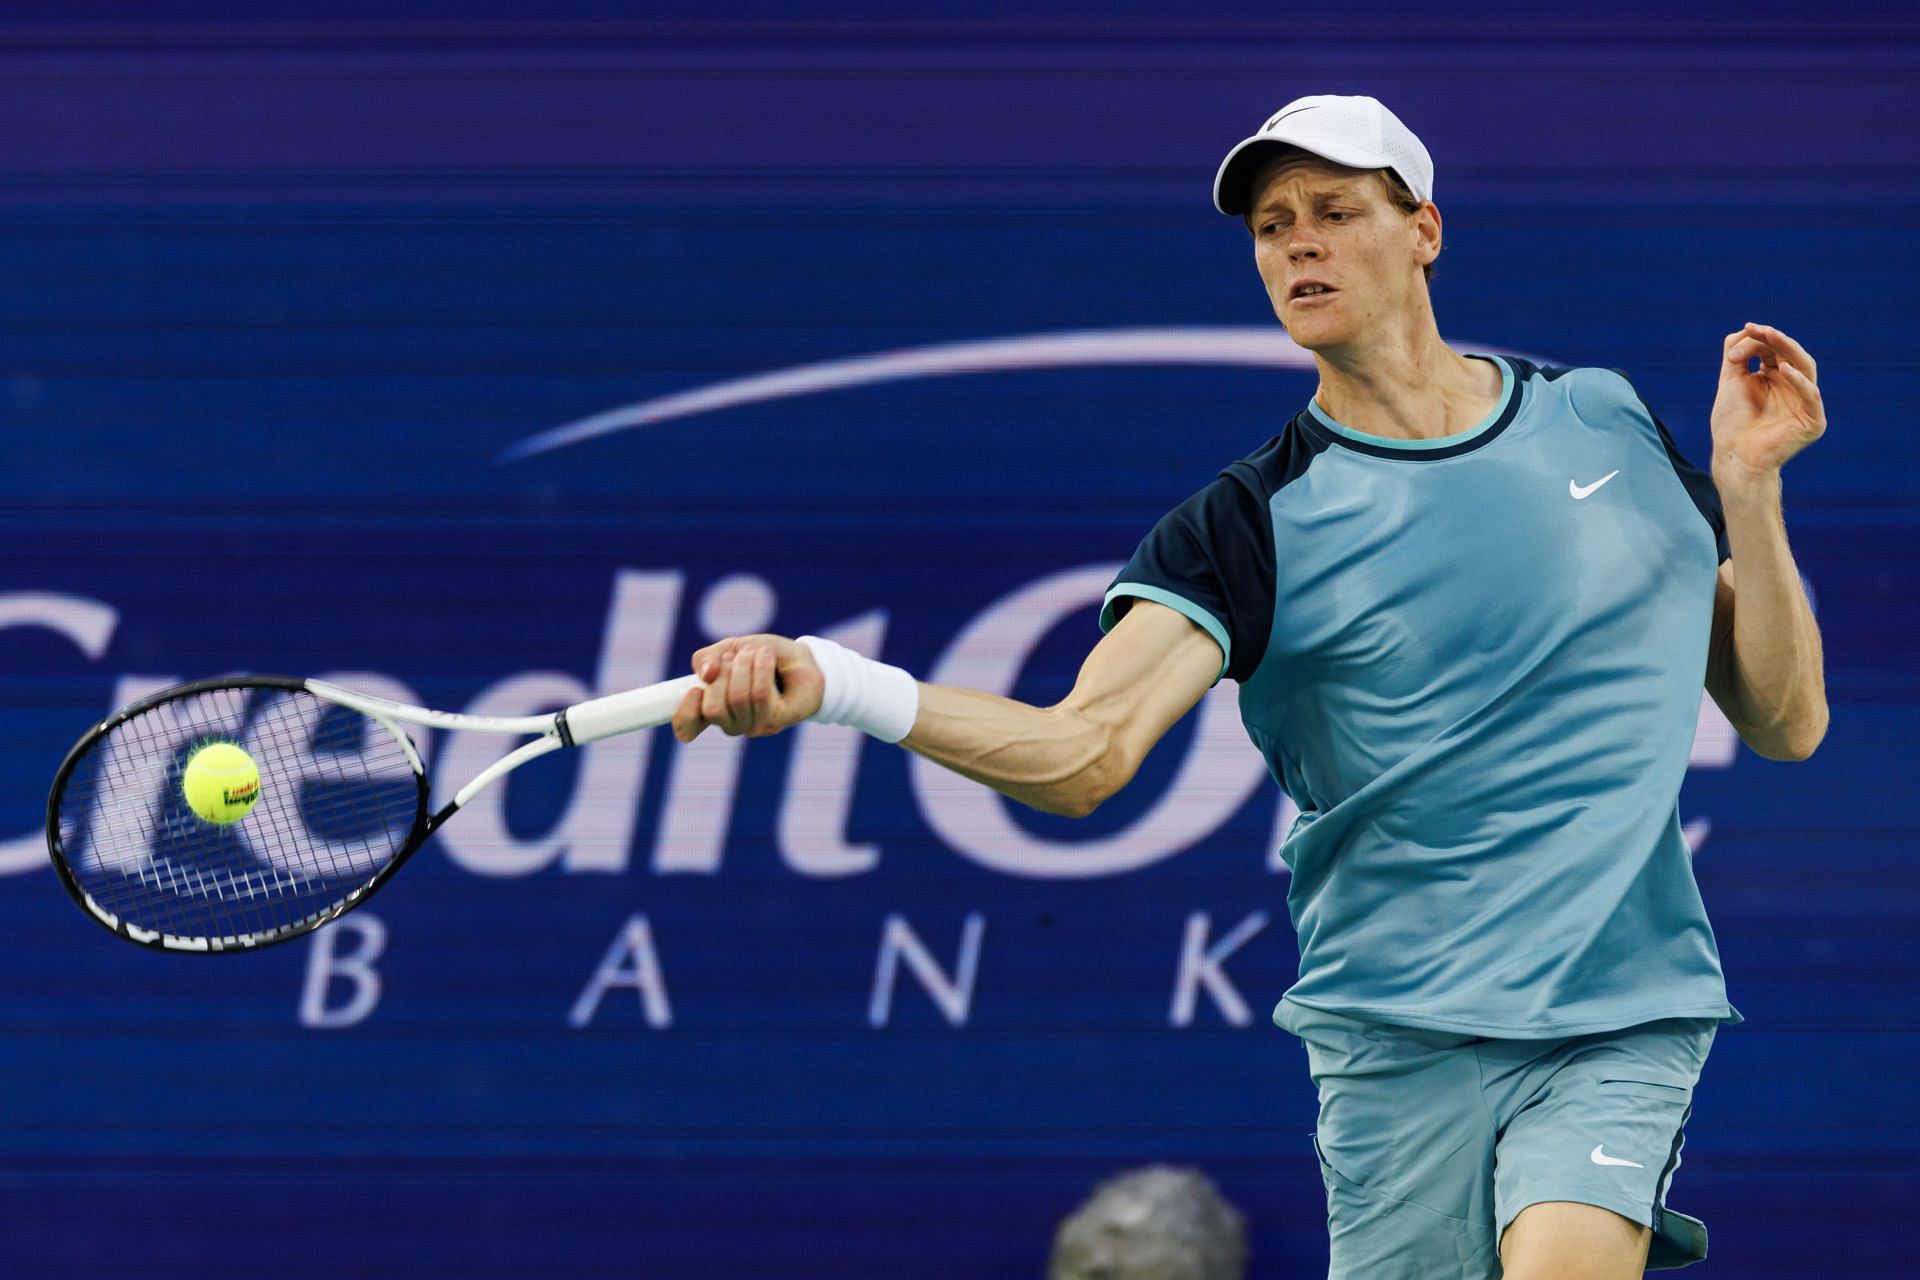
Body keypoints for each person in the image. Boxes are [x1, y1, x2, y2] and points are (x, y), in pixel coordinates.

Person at [668, 94, 1828, 1279]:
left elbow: (1785, 717)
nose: (1299, 244)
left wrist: (1748, 486)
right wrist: (841, 684)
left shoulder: (1603, 418)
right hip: (1393, 1043)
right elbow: (1084, 754)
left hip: (1615, 1014)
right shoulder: (1247, 526)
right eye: (1273, 226)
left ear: (1423, 228)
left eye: (1335, 211)